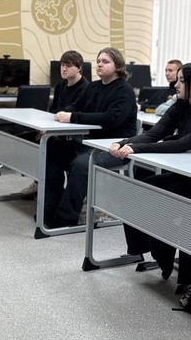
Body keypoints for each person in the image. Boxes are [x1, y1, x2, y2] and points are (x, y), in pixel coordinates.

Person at [107, 63, 191, 276]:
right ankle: (154, 252)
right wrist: (124, 142)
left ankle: (167, 258)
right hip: (183, 175)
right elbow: (155, 133)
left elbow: (183, 144)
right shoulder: (181, 106)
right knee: (136, 191)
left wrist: (136, 148)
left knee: (161, 201)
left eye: (182, 81)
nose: (176, 85)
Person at [43, 47, 138, 229]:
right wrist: (64, 113)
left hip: (115, 147)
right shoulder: (94, 86)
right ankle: (51, 207)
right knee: (52, 151)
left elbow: (110, 118)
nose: (100, 64)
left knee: (81, 165)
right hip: (90, 142)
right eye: (98, 61)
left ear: (118, 66)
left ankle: (66, 218)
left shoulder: (124, 90)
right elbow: (77, 105)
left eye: (105, 61)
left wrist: (73, 117)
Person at [16, 51, 87, 199]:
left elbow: (74, 112)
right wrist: (45, 128)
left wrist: (51, 129)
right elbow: (54, 110)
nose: (64, 69)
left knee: (49, 149)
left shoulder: (85, 88)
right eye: (62, 65)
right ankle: (41, 183)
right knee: (28, 140)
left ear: (79, 68)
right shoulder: (61, 85)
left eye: (68, 66)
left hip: (73, 135)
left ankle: (52, 193)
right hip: (57, 130)